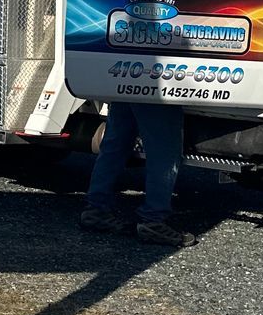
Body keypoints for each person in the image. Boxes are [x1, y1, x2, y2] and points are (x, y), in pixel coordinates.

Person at [79, 100, 197, 247]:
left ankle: (96, 209)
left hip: (124, 82)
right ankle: (153, 220)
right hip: (155, 86)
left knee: (115, 144)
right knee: (164, 151)